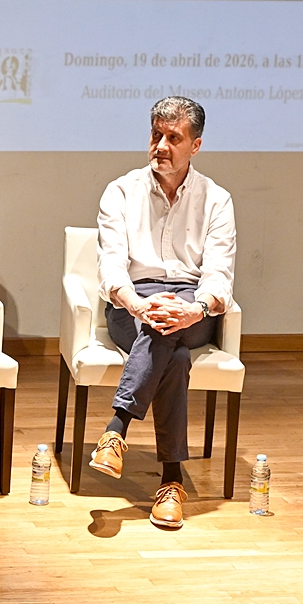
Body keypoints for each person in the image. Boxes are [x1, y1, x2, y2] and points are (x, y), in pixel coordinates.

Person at [90, 96, 235, 529]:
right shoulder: (121, 190)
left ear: (196, 146)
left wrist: (195, 309)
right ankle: (171, 482)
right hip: (132, 302)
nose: (161, 146)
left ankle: (116, 430)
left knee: (167, 331)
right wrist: (136, 303)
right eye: (156, 135)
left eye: (174, 138)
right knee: (168, 347)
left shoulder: (217, 199)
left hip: (192, 305)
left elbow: (219, 274)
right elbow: (111, 266)